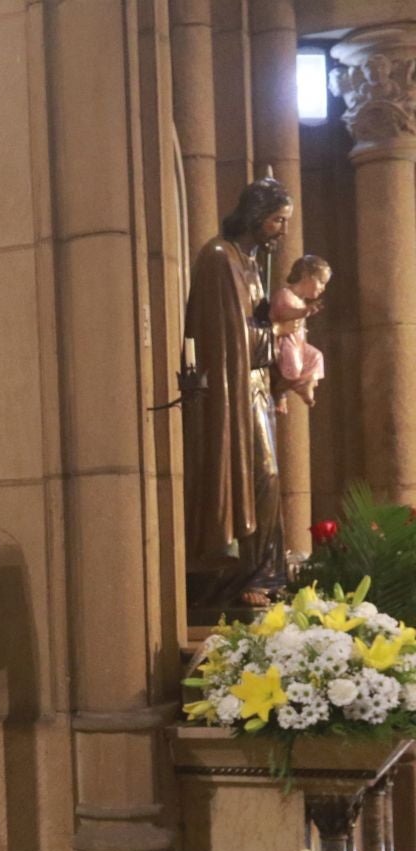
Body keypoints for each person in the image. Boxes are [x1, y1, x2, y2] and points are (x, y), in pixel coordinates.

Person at [184, 177, 292, 613]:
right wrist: (276, 331)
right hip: (233, 391)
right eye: (277, 220)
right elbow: (228, 339)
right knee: (261, 475)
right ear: (256, 216)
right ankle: (238, 578)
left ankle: (263, 574)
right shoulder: (219, 257)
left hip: (256, 388)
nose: (283, 230)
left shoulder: (250, 262)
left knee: (269, 479)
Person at [272, 254, 332, 411]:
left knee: (317, 357)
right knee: (294, 367)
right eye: (321, 281)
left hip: (298, 343)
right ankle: (281, 392)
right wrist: (303, 312)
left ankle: (307, 385)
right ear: (306, 275)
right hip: (285, 341)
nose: (323, 288)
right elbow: (282, 314)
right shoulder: (285, 294)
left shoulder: (301, 301)